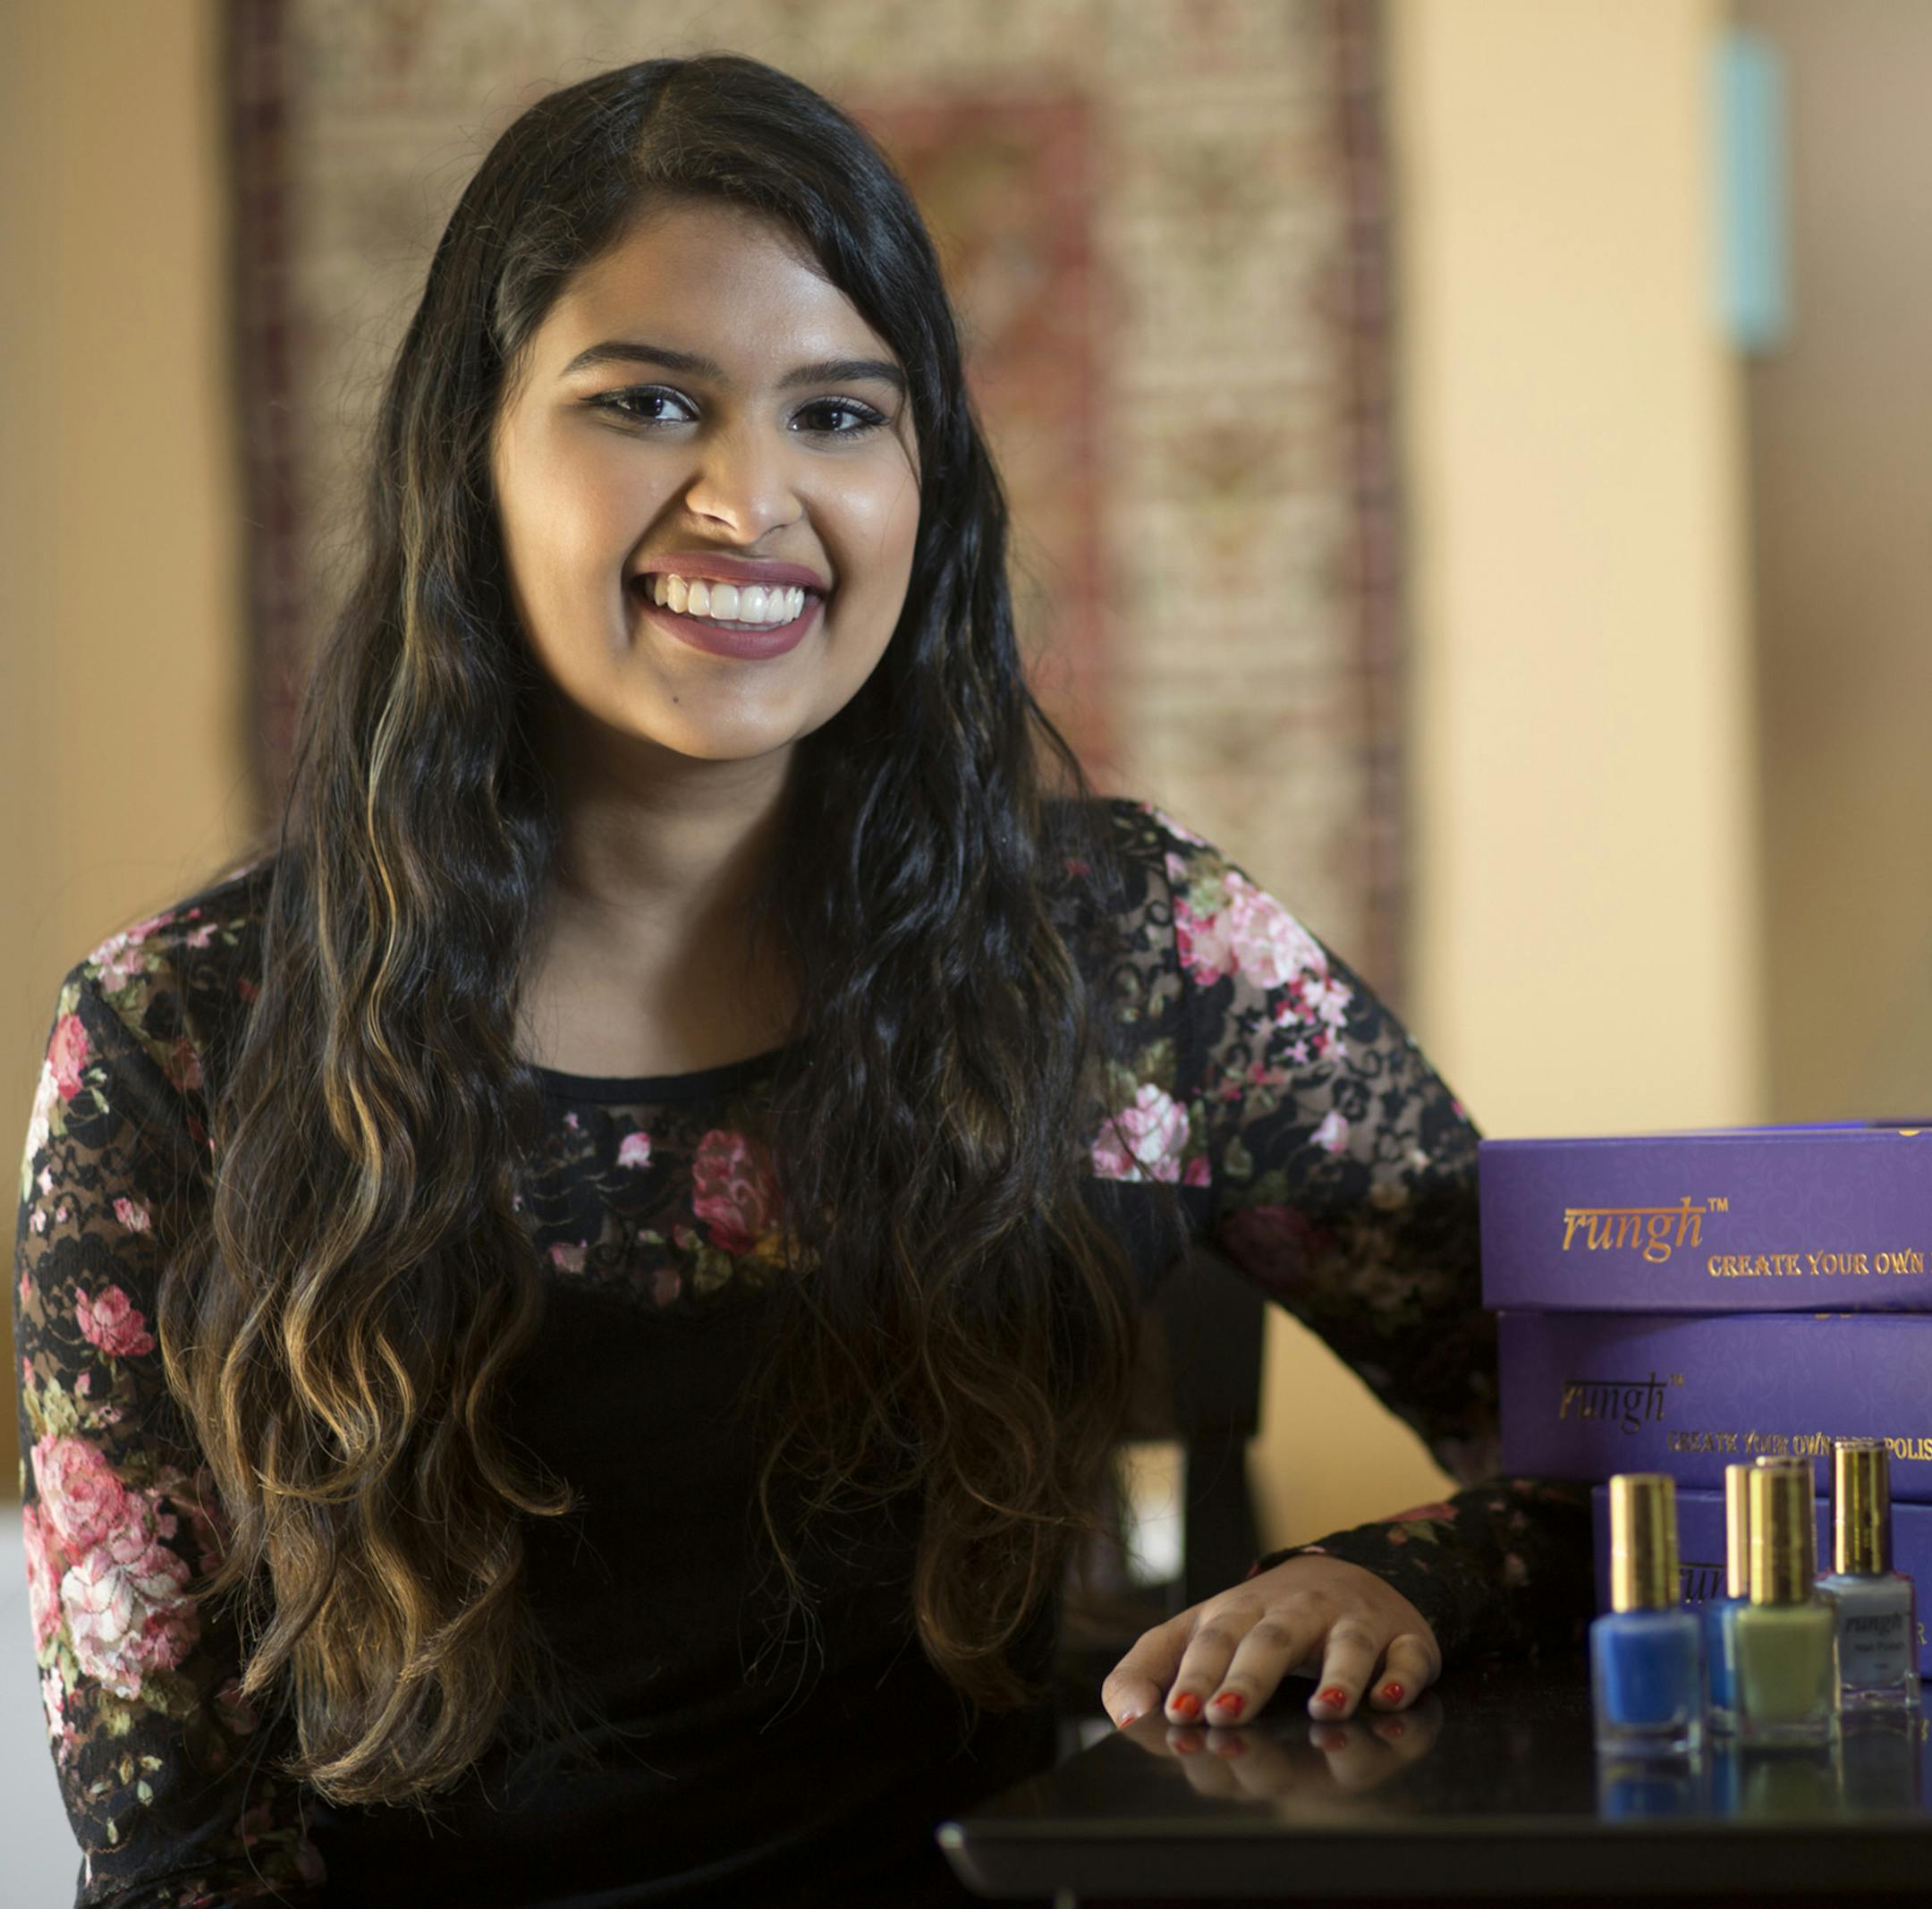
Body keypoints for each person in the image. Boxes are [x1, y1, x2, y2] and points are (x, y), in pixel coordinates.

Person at [13, 51, 1590, 1909]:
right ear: (471, 456)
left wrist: (1402, 1572)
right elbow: (180, 1838)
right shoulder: (180, 1040)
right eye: (648, 402)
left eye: (840, 413)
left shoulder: (1137, 954)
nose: (748, 500)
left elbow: (1619, 1435)